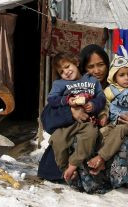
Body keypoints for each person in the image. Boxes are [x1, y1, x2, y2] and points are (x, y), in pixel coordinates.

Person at [38, 44, 128, 193]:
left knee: (124, 139)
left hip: (108, 142)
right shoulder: (69, 87)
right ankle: (77, 176)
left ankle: (115, 181)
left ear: (108, 66)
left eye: (100, 65)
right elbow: (47, 119)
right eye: (90, 66)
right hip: (81, 143)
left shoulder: (119, 86)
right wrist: (71, 112)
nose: (96, 70)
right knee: (80, 139)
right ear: (81, 66)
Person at [44, 52, 106, 182]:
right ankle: (63, 168)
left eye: (67, 66)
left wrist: (93, 105)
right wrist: (67, 101)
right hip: (67, 123)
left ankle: (73, 165)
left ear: (76, 63)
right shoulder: (60, 84)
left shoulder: (92, 81)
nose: (66, 72)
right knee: (58, 140)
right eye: (61, 71)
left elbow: (101, 98)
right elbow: (52, 99)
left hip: (87, 121)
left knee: (90, 136)